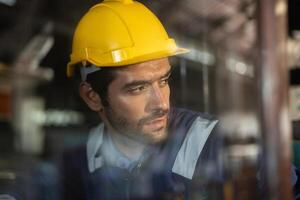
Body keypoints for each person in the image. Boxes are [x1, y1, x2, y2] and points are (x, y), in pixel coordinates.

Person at [62, 0, 299, 199]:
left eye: (163, 81)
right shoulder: (78, 163)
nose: (161, 103)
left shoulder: (217, 143)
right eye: (138, 88)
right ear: (92, 97)